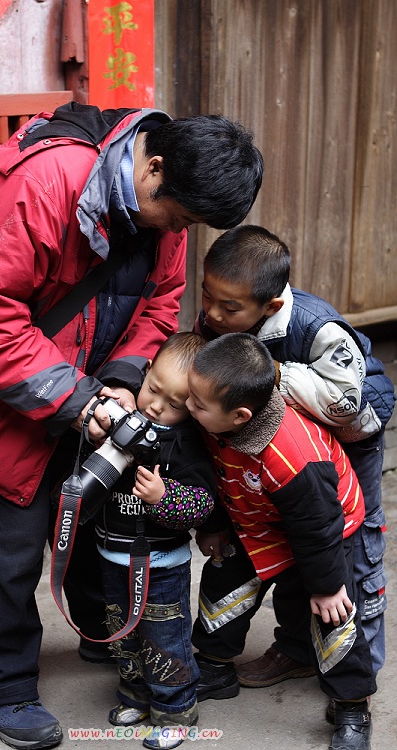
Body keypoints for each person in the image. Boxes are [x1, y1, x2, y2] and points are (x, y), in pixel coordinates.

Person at [0, 101, 264, 750]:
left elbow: (161, 300)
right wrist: (82, 402)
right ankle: (5, 688)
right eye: (184, 217)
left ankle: (96, 630)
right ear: (156, 168)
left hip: (87, 393)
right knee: (12, 550)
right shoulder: (49, 182)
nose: (182, 231)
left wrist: (118, 382)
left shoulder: (163, 207)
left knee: (89, 518)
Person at [194, 225, 395, 686]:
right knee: (289, 543)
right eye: (207, 298)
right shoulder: (216, 321)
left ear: (272, 307)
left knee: (351, 544)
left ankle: (359, 666)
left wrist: (269, 374)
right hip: (279, 443)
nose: (214, 315)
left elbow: (344, 401)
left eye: (230, 308)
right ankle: (297, 649)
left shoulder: (316, 326)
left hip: (348, 435)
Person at [186, 332, 376, 750]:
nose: (188, 407)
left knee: (333, 618)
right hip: (256, 517)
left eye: (197, 404)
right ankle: (215, 668)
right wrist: (213, 525)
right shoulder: (213, 420)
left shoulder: (293, 458)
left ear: (239, 416)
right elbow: (213, 477)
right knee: (223, 582)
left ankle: (351, 706)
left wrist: (326, 587)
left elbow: (317, 526)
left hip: (325, 527)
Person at [90, 332, 215, 750]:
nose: (156, 405)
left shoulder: (186, 445)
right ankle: (136, 695)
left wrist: (165, 498)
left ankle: (176, 709)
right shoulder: (122, 423)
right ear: (145, 374)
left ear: (194, 409)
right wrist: (96, 436)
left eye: (175, 404)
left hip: (160, 564)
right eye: (153, 389)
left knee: (165, 639)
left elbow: (202, 505)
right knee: (122, 633)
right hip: (111, 554)